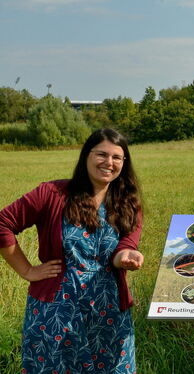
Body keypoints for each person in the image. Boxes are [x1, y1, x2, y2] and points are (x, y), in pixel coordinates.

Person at [0, 128, 144, 373]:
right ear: (86, 156)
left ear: (124, 163)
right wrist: (26, 270)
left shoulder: (128, 203)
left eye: (117, 157)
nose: (109, 162)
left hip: (108, 315)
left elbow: (125, 247)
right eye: (102, 154)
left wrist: (126, 257)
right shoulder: (52, 193)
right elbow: (3, 223)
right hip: (55, 314)